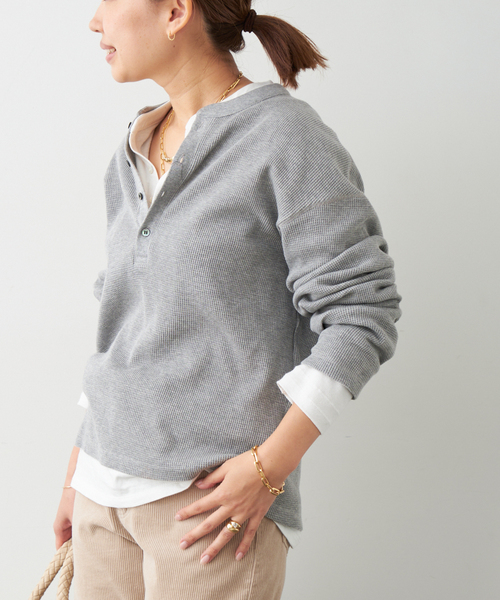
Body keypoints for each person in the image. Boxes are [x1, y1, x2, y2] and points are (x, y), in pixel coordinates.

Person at [52, 0, 402, 598]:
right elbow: (126, 328)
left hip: (209, 509)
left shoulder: (284, 136)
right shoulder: (133, 148)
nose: (94, 20)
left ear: (175, 12)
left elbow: (362, 313)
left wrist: (269, 469)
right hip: (99, 497)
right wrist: (77, 471)